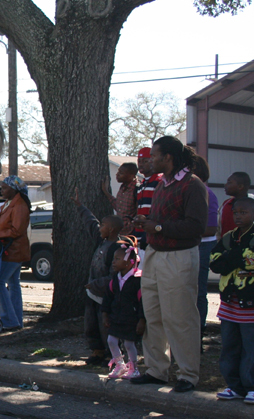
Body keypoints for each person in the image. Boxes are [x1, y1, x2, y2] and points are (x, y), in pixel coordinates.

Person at [132, 136, 207, 393]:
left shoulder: (192, 185)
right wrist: (146, 224)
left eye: (154, 155)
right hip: (154, 253)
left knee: (180, 317)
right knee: (154, 315)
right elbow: (160, 220)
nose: (150, 159)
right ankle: (156, 371)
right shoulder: (162, 184)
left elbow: (197, 227)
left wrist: (158, 226)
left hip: (179, 256)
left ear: (168, 158)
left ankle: (188, 374)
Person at [210, 197, 254, 405]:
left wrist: (230, 258)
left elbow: (252, 261)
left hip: (251, 304)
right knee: (229, 346)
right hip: (229, 304)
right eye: (235, 212)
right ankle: (234, 386)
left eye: (243, 212)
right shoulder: (228, 237)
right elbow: (215, 262)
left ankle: (253, 386)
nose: (238, 216)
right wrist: (234, 258)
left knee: (251, 348)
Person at [72, 188, 124, 365]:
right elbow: (91, 223)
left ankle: (113, 355)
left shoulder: (118, 248)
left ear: (111, 229)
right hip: (92, 294)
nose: (99, 227)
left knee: (106, 326)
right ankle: (97, 351)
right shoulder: (101, 240)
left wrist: (96, 284)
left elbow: (115, 277)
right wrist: (80, 206)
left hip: (107, 296)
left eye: (103, 225)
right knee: (91, 324)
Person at [0, 176, 32, 331]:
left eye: (5, 188)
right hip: (9, 250)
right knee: (14, 284)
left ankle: (9, 320)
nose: (2, 190)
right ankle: (16, 321)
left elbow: (16, 230)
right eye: (1, 187)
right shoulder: (8, 204)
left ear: (14, 190)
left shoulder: (19, 205)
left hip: (15, 251)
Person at [101, 240, 145, 379]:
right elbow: (108, 298)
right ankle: (120, 364)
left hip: (130, 318)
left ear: (130, 262)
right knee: (111, 341)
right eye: (114, 259)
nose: (113, 262)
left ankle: (134, 367)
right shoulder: (114, 280)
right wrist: (105, 314)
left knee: (128, 343)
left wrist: (141, 319)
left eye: (117, 259)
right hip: (117, 317)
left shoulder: (137, 281)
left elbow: (142, 302)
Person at [191, 154, 219, 340]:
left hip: (202, 247)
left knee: (198, 290)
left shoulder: (207, 194)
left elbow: (210, 229)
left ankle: (199, 329)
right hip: (189, 245)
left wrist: (181, 230)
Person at [217, 172, 254, 239]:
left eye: (229, 183)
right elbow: (219, 230)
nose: (225, 185)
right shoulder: (225, 205)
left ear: (240, 186)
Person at [134, 147, 163, 263]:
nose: (141, 165)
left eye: (145, 161)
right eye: (139, 161)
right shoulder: (141, 185)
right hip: (139, 233)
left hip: (151, 232)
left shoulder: (159, 181)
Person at [102, 162, 138, 235]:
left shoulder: (137, 189)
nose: (117, 174)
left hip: (131, 233)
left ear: (131, 175)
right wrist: (106, 192)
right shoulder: (122, 187)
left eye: (121, 173)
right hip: (120, 231)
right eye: (118, 171)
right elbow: (118, 206)